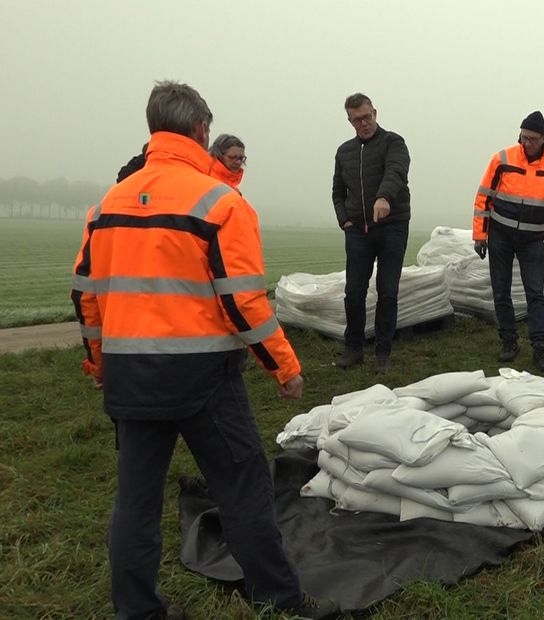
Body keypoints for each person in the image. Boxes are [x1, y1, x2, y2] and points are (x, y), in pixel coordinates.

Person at [70, 81, 337, 618]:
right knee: (242, 486)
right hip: (203, 379)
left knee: (136, 504)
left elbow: (86, 296)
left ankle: (137, 610)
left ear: (153, 129)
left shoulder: (107, 206)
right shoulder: (219, 202)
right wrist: (283, 366)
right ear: (201, 130)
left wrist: (100, 364)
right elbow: (243, 303)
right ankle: (279, 600)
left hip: (131, 377)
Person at [472, 111, 544, 371]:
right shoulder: (502, 159)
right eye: (523, 137)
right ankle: (509, 342)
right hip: (500, 235)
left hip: (533, 240)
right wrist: (480, 235)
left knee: (535, 294)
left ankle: (541, 349)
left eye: (532, 138)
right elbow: (484, 197)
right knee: (501, 290)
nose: (526, 142)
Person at [332, 93, 411, 372]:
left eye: (367, 117)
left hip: (392, 227)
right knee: (354, 292)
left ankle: (383, 353)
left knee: (387, 292)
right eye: (357, 120)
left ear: (375, 113)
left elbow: (396, 172)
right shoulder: (344, 152)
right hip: (358, 231)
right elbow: (338, 192)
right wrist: (344, 220)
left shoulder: (394, 143)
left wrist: (384, 198)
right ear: (350, 121)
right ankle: (353, 348)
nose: (363, 123)